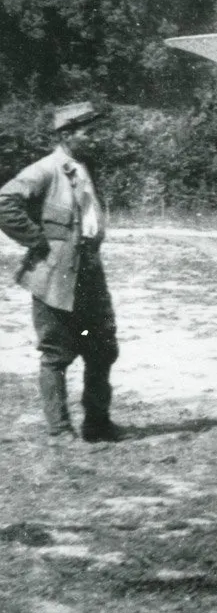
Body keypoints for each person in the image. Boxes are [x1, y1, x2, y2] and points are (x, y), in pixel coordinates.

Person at [0, 102, 122, 441]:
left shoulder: (84, 167)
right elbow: (4, 201)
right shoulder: (46, 169)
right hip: (56, 277)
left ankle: (97, 424)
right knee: (56, 353)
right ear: (67, 135)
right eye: (89, 133)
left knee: (102, 349)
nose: (96, 139)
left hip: (90, 274)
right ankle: (59, 428)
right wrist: (36, 240)